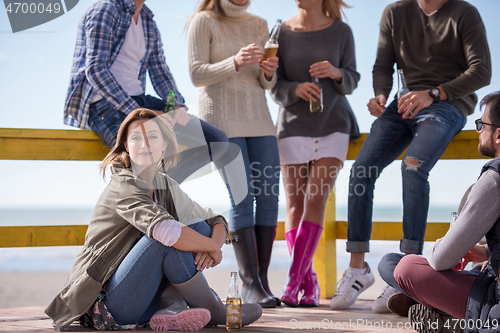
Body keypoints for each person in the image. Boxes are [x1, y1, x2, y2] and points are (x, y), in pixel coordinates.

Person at [330, 0, 491, 312]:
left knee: (412, 167)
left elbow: (481, 70)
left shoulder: (464, 12)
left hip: (446, 104)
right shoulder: (395, 12)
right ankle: (357, 269)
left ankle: (406, 273)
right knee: (360, 171)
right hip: (400, 106)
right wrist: (380, 95)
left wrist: (433, 93)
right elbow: (382, 66)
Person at [44, 109, 262, 331]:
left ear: (164, 144)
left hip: (144, 297)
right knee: (164, 239)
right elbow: (164, 231)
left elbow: (215, 220)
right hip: (109, 305)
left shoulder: (164, 185)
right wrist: (210, 248)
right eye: (136, 137)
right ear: (126, 146)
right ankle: (214, 309)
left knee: (196, 227)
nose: (144, 143)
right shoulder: (124, 184)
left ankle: (171, 308)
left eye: (153, 136)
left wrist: (213, 245)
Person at [63, 0, 229, 184]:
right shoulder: (105, 9)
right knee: (136, 165)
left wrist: (176, 104)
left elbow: (160, 71)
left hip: (138, 100)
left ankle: (159, 186)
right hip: (104, 104)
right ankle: (148, 190)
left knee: (216, 141)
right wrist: (139, 114)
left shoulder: (147, 19)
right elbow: (95, 69)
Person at [186, 0, 280, 308]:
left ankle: (262, 284)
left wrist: (268, 72)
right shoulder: (203, 21)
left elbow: (266, 84)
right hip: (222, 121)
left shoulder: (259, 24)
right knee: (242, 197)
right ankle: (251, 284)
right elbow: (197, 74)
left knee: (268, 197)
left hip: (261, 120)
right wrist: (235, 61)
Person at [271, 0, 360, 307]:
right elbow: (273, 85)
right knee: (294, 204)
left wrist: (337, 73)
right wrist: (294, 89)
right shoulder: (281, 31)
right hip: (292, 126)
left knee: (315, 197)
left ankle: (292, 281)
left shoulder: (342, 31)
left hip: (334, 123)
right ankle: (309, 282)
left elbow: (353, 78)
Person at [392, 91, 500, 332]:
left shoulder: (495, 177)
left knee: (404, 267)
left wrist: (442, 247)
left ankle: (450, 319)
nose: (478, 130)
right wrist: (482, 252)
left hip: (495, 300)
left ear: (499, 135)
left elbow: (442, 260)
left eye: (482, 124)